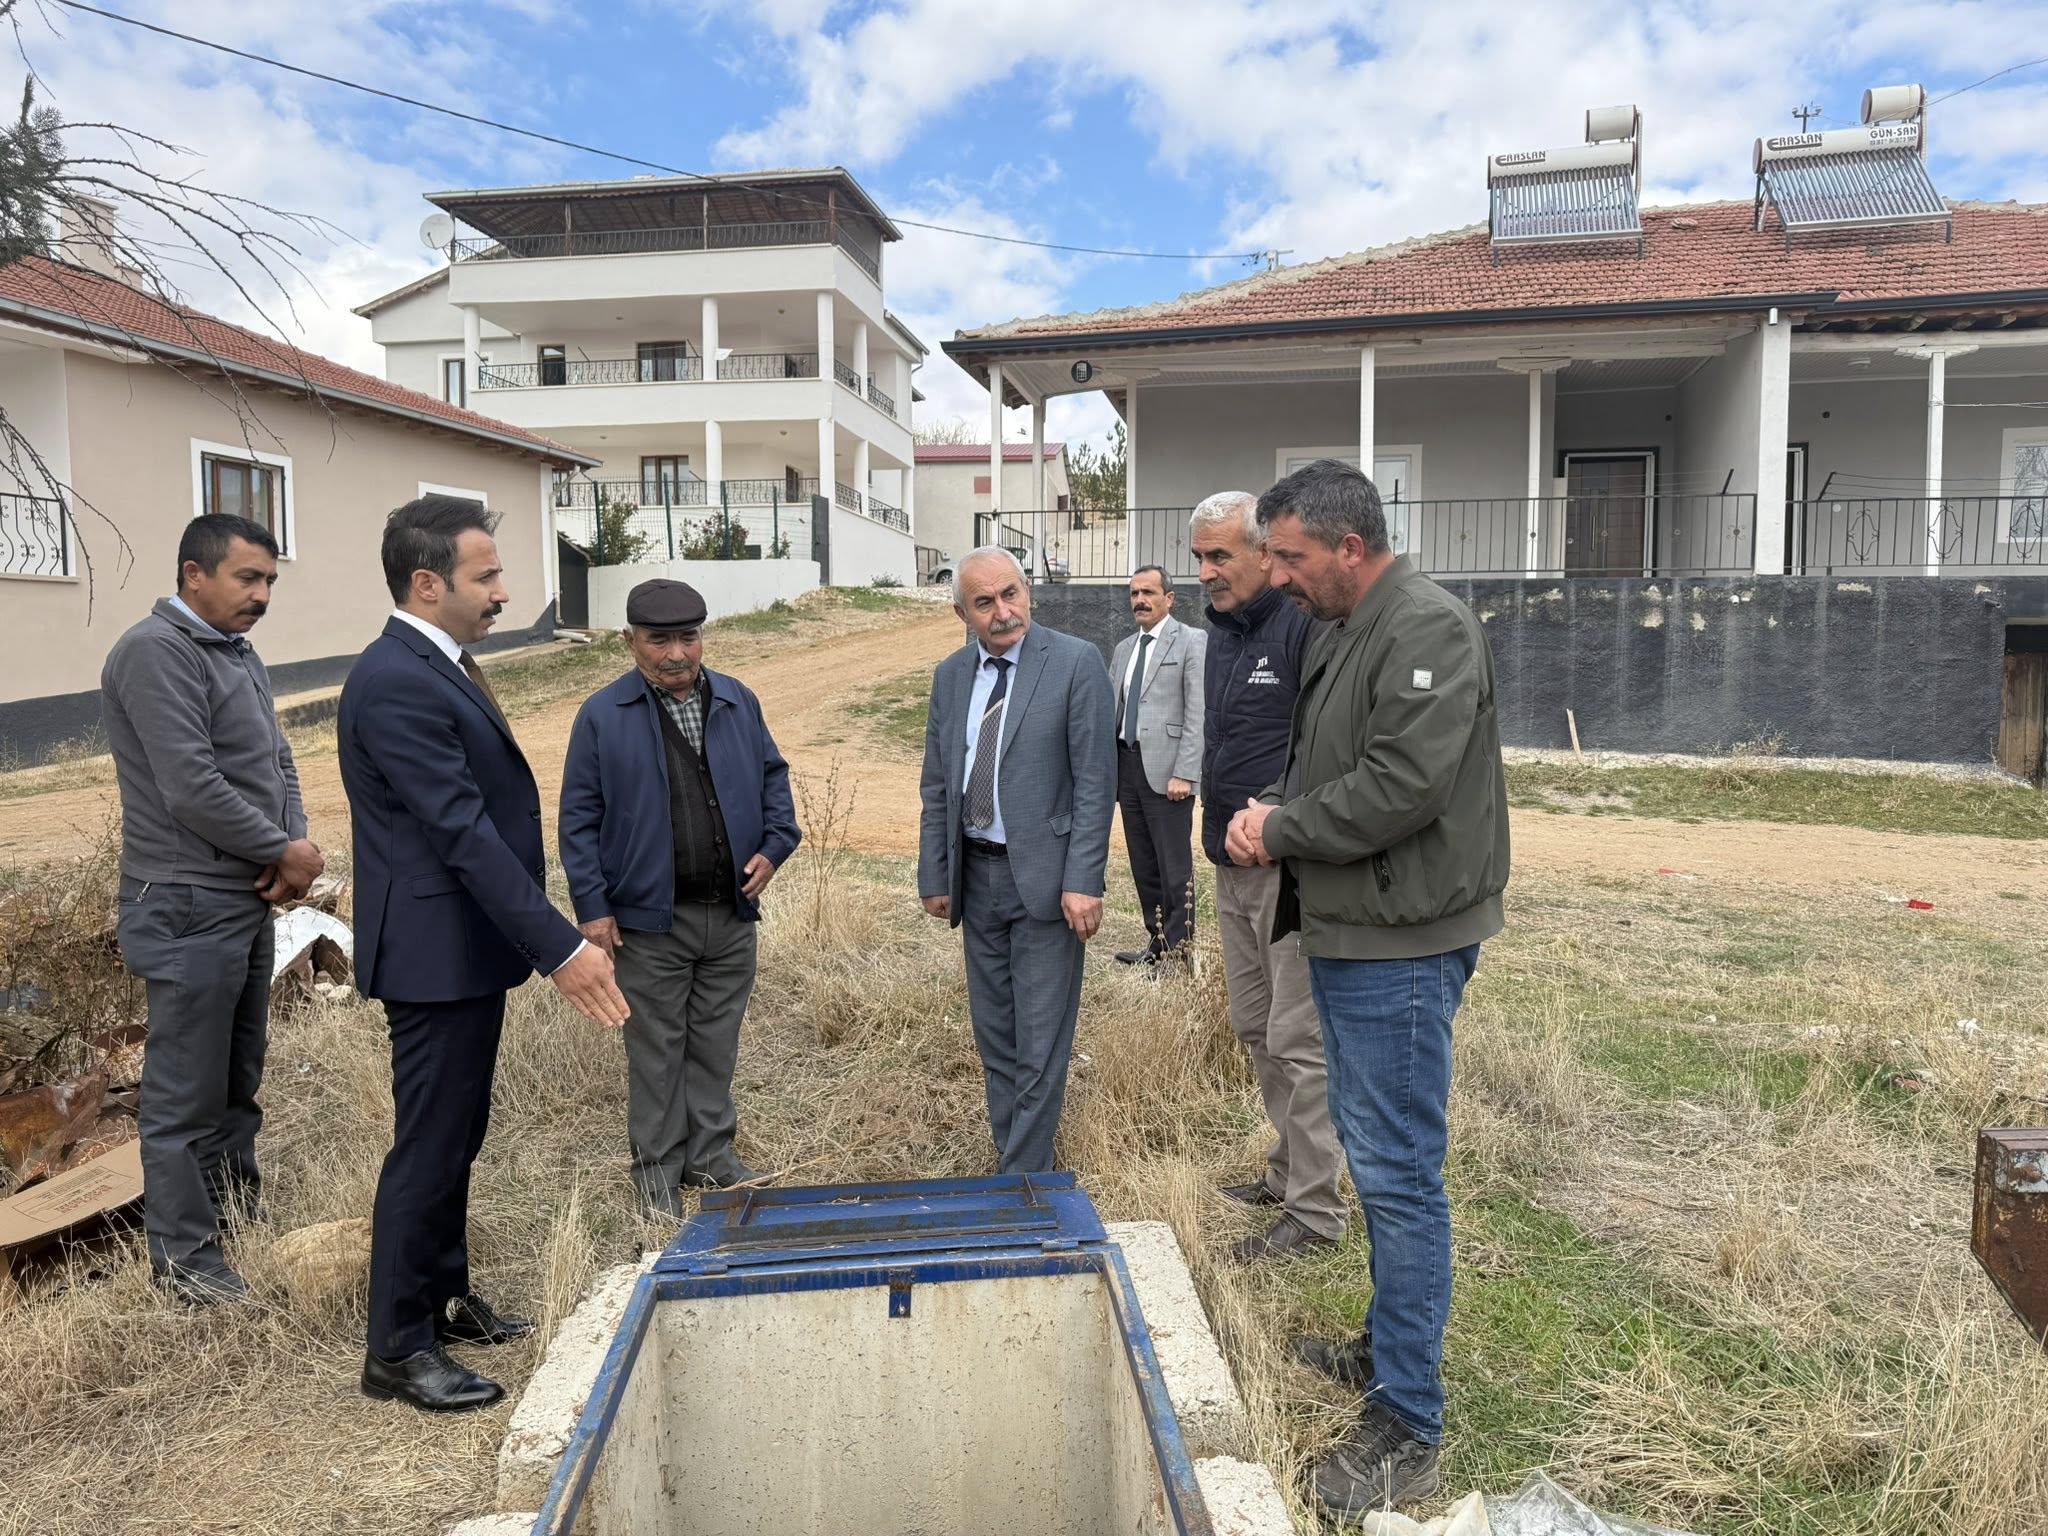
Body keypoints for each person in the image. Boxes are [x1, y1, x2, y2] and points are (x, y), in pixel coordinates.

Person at [1225, 460, 1510, 1515]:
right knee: (1378, 1155)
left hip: (1400, 938)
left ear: (1349, 547)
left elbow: (1401, 784)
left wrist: (1279, 829)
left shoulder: (1422, 626)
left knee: (1395, 1174)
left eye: (1291, 557)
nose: (1278, 577)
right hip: (1354, 925)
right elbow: (1333, 759)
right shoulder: (1346, 624)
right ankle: (1386, 1353)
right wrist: (1275, 805)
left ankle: (1407, 1425)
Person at [338, 494, 630, 1414]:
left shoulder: (435, 664)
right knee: (427, 1146)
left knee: (459, 1133)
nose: (505, 591)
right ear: (429, 584)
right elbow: (459, 832)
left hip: (460, 945)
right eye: (487, 576)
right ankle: (397, 1347)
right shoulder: (395, 680)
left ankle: (445, 1293)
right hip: (432, 951)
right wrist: (558, 949)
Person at [102, 513, 324, 1307]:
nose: (262, 595)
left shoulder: (235, 650)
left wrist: (287, 843)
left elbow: (276, 758)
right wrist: (281, 852)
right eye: (247, 579)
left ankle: (233, 1216)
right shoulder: (155, 652)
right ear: (193, 574)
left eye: (269, 581)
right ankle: (186, 1261)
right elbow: (190, 786)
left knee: (236, 1078)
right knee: (184, 1094)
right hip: (186, 903)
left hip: (240, 895)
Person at [559, 578, 800, 1217]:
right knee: (657, 1046)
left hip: (730, 912)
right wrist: (593, 906)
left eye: (687, 638)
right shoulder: (602, 716)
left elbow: (775, 778)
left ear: (703, 637)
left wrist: (775, 847)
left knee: (716, 1039)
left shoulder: (737, 700)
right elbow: (578, 819)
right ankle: (658, 1172)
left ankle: (712, 1157)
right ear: (630, 641)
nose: (675, 655)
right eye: (658, 640)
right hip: (648, 923)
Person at [917, 546, 1115, 1174]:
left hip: (1048, 883)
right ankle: (1018, 1158)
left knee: (1040, 1040)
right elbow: (937, 786)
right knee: (996, 1037)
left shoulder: (1076, 663)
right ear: (961, 612)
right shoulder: (951, 677)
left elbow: (1094, 783)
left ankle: (1020, 1183)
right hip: (976, 879)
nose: (1003, 612)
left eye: (1011, 594)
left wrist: (1084, 880)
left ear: (1029, 592)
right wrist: (935, 873)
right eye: (985, 602)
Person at [1188, 492, 1346, 1265]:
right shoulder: (1225, 633)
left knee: (1298, 1040)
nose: (1209, 573)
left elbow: (1322, 744)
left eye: (1221, 556)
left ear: (1263, 554)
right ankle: (1286, 1177)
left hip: (1288, 870)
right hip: (1230, 866)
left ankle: (1317, 1214)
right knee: (1256, 1028)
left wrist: (1277, 824)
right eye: (1200, 559)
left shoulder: (1300, 627)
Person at [1109, 565, 1205, 969]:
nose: (1140, 601)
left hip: (1169, 775)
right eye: (1134, 594)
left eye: (1148, 592)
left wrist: (1186, 772)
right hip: (1127, 768)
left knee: (1174, 867)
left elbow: (1198, 711)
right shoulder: (1124, 649)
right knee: (1144, 864)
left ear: (1169, 598)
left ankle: (1181, 956)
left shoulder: (1191, 642)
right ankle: (1158, 943)